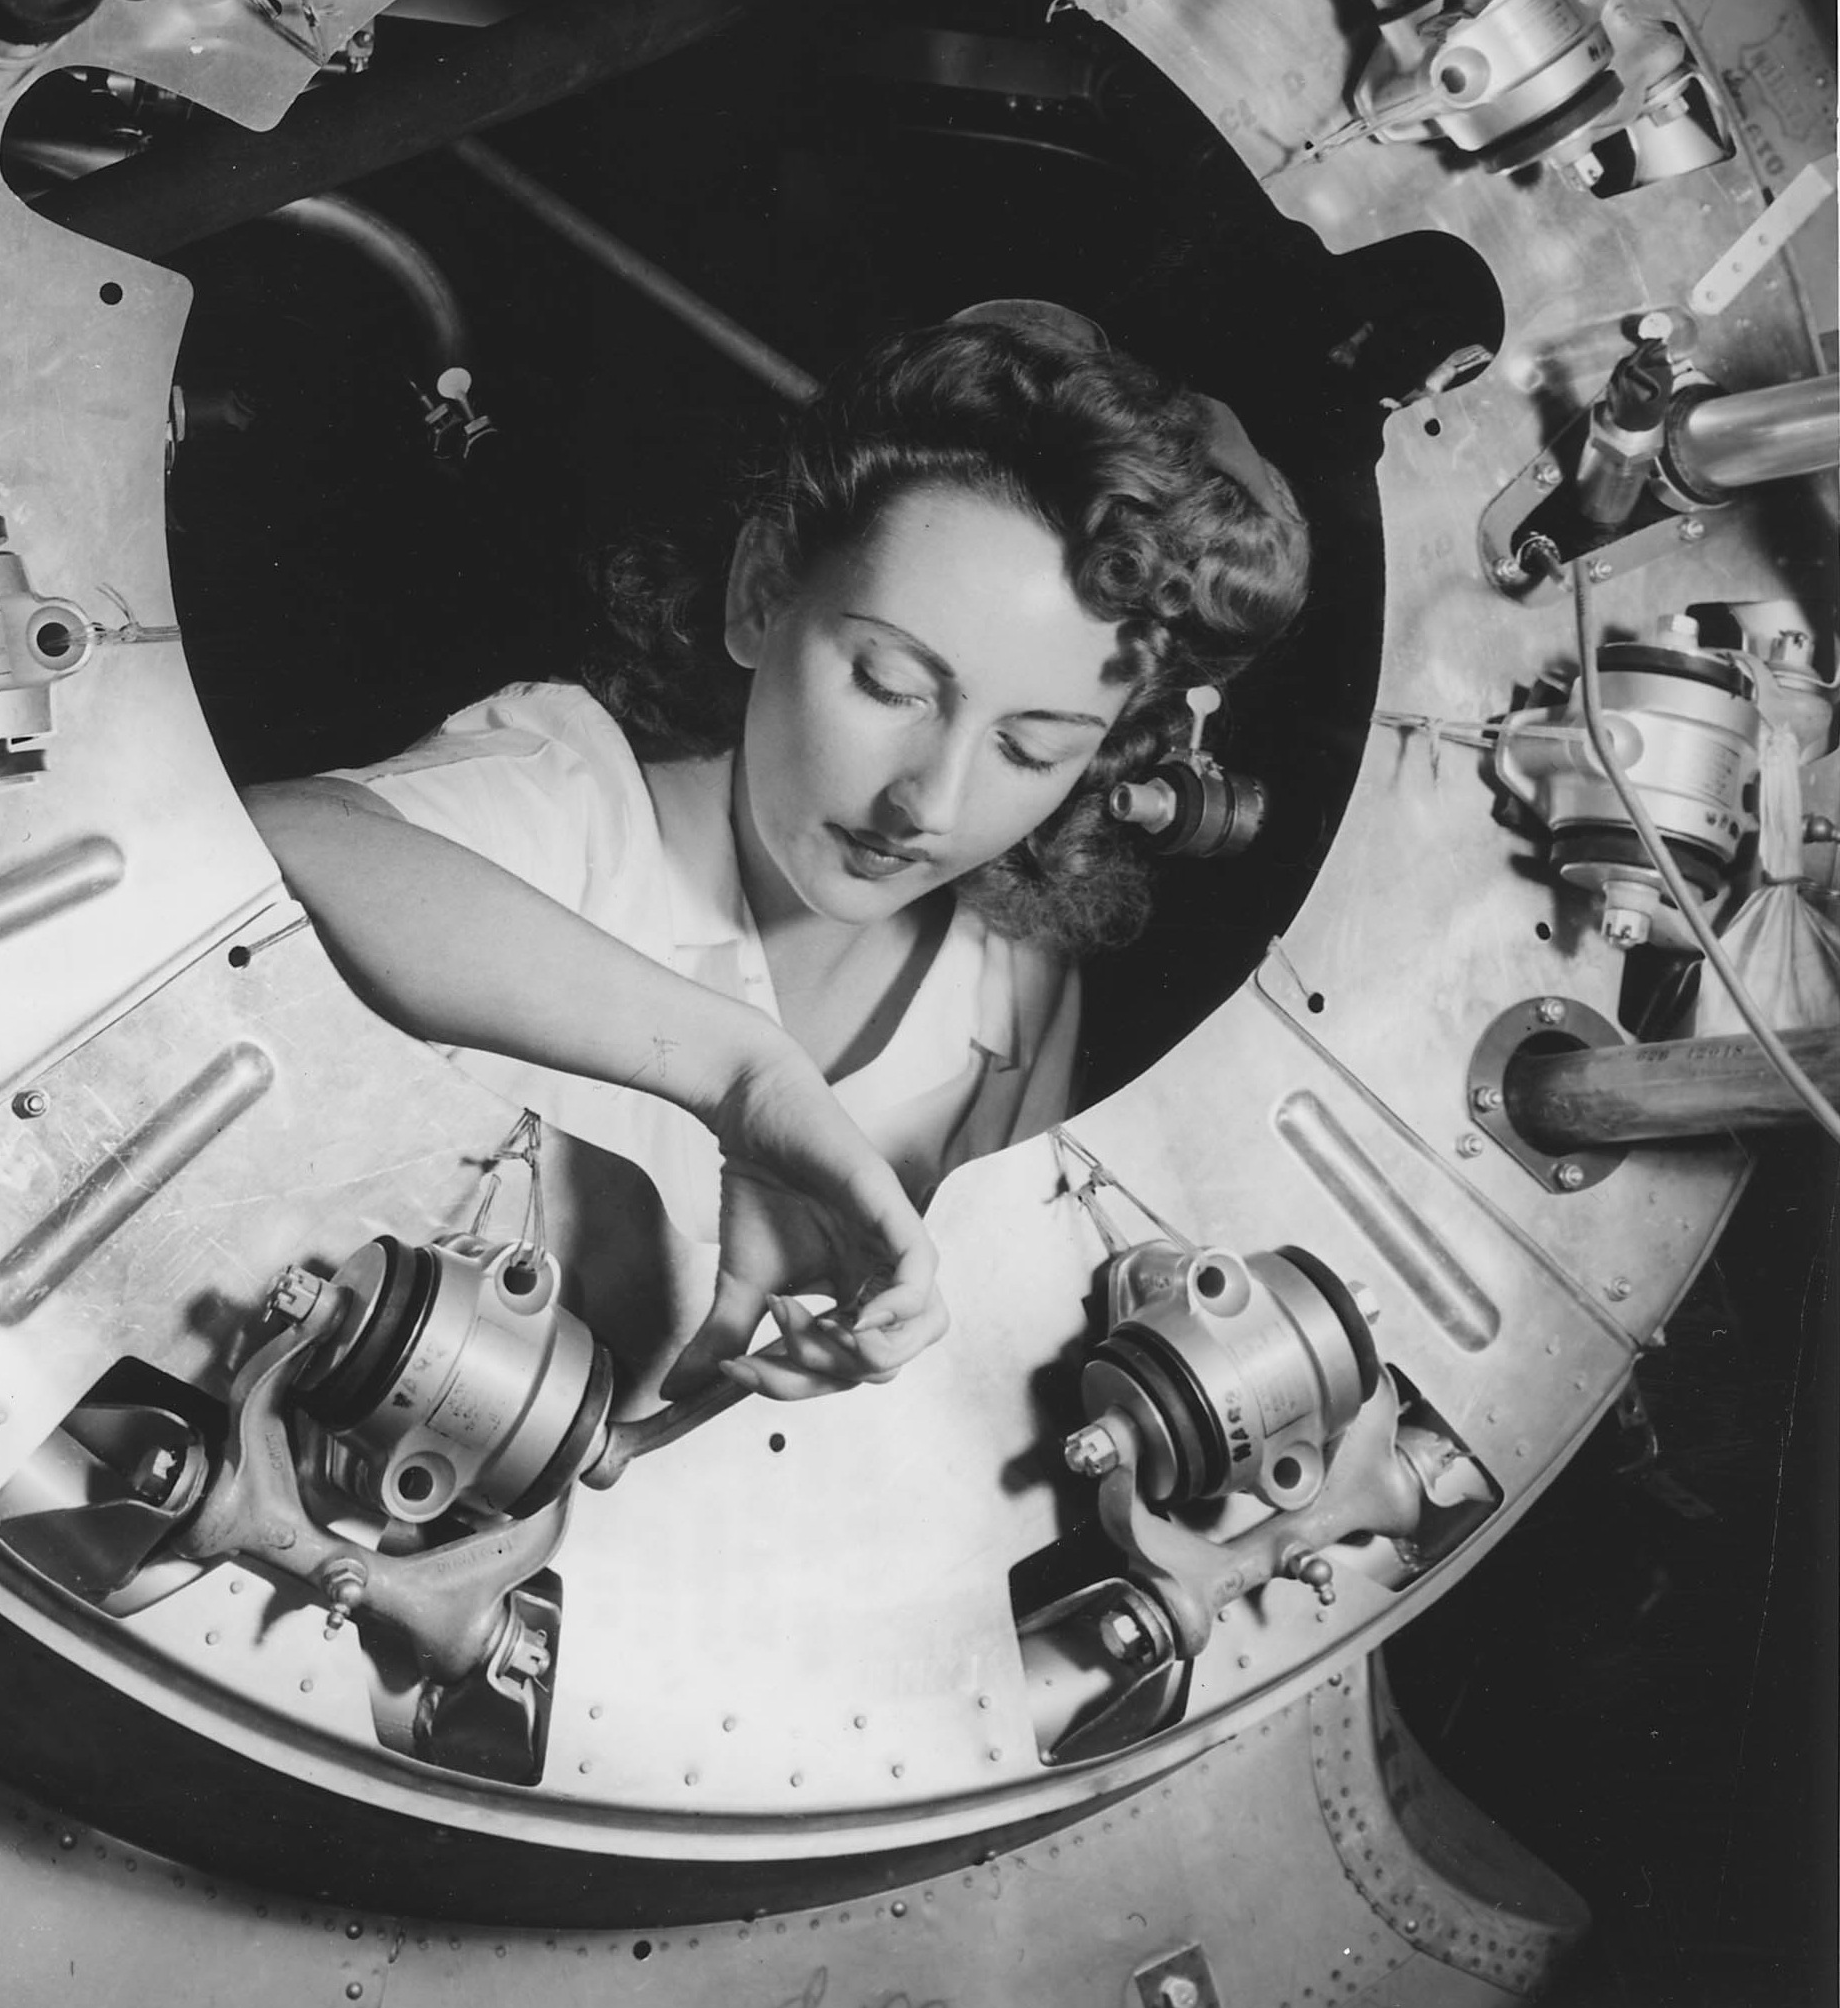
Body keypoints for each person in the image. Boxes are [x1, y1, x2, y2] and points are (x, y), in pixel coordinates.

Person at [245, 303, 1309, 1412]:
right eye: (891, 686)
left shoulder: (1014, 990)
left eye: (1029, 749)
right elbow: (276, 838)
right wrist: (737, 1072)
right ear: (762, 595)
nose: (928, 804)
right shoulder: (570, 796)